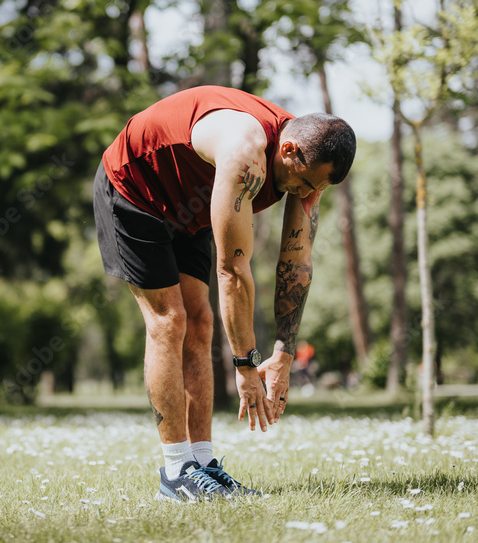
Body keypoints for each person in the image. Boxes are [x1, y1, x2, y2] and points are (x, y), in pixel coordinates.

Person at [92, 85, 356, 501]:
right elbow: (232, 270)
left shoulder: (309, 161)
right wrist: (246, 365)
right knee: (169, 321)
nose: (306, 194)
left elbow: (296, 263)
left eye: (316, 188)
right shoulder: (244, 152)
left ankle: (202, 464)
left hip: (189, 206)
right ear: (288, 150)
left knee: (201, 322)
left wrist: (284, 355)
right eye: (305, 183)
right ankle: (176, 472)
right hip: (135, 189)